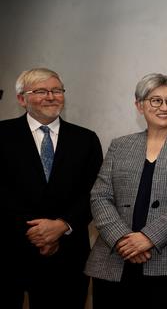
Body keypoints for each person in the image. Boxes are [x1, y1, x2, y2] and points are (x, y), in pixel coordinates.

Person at [85, 73, 167, 309]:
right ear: (139, 106)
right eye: (155, 100)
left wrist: (148, 238)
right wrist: (122, 239)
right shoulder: (120, 145)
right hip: (115, 259)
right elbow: (100, 196)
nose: (165, 107)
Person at [0, 68, 103, 308]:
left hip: (66, 255)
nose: (51, 96)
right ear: (21, 99)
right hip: (8, 250)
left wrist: (61, 226)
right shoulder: (2, 135)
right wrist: (36, 231)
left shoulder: (86, 139)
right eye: (41, 91)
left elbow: (96, 192)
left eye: (57, 90)